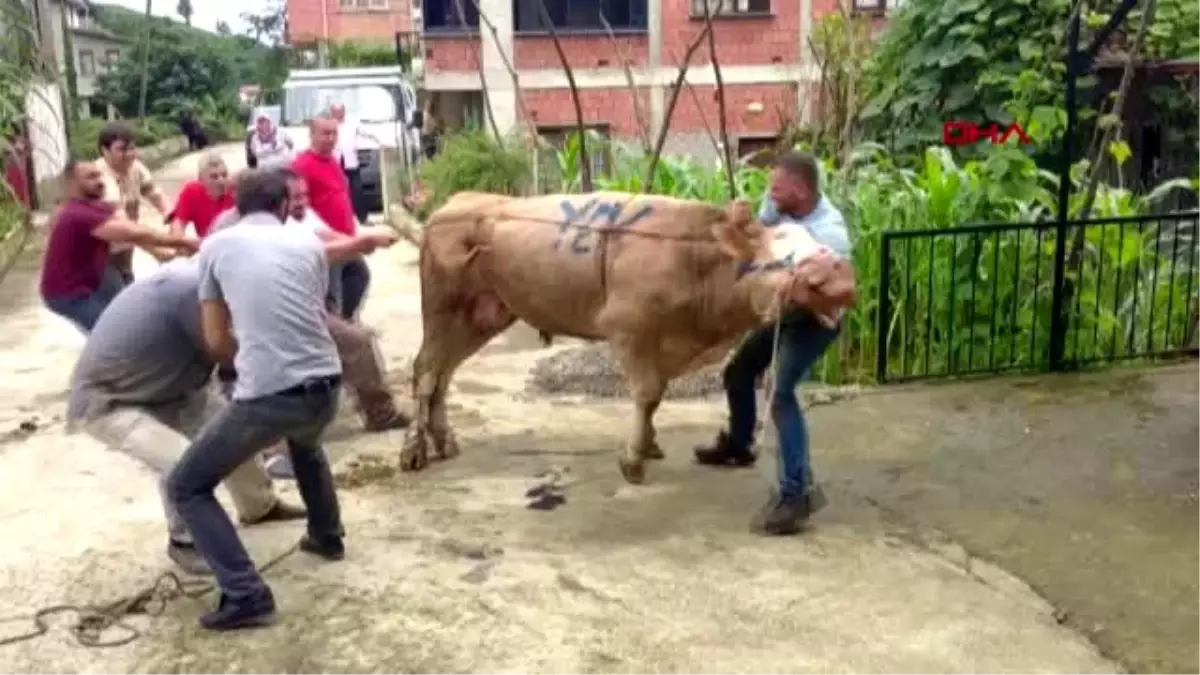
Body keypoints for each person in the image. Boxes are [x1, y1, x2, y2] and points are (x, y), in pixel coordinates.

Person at [166, 169, 398, 630]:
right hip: (328, 383)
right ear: (280, 206)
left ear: (237, 205)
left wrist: (247, 360)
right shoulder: (308, 243)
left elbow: (215, 340)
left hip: (271, 393)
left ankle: (245, 592)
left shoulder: (216, 246)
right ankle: (327, 536)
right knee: (306, 443)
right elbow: (307, 312)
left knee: (186, 486)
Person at [67, 258, 306, 575]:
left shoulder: (213, 282)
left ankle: (259, 507)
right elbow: (226, 350)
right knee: (184, 463)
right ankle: (184, 542)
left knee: (237, 434)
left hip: (174, 387)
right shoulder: (192, 292)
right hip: (112, 400)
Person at [693, 150, 854, 537]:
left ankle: (795, 494)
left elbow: (841, 294)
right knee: (739, 370)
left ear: (799, 191)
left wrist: (800, 289)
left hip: (816, 320)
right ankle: (739, 443)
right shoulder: (779, 203)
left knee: (781, 394)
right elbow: (760, 233)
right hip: (785, 311)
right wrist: (739, 222)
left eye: (777, 187)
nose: (770, 193)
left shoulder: (830, 234)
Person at [40, 159, 198, 334]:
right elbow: (133, 234)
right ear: (72, 183)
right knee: (110, 334)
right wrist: (182, 242)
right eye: (90, 177)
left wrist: (162, 250)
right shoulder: (77, 214)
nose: (99, 181)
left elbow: (131, 228)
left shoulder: (98, 206)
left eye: (99, 175)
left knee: (128, 316)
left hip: (94, 280)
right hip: (68, 294)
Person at [292, 113, 372, 320]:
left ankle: (346, 323)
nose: (330, 138)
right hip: (327, 244)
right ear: (312, 134)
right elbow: (299, 208)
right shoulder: (302, 165)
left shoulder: (333, 161)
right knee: (332, 295)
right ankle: (336, 333)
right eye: (325, 133)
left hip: (347, 239)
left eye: (334, 133)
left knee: (359, 277)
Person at [96, 121, 172, 285]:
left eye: (132, 148)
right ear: (105, 151)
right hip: (98, 253)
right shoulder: (99, 178)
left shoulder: (136, 168)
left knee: (127, 283)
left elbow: (155, 194)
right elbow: (122, 225)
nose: (130, 154)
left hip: (123, 248)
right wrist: (157, 250)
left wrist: (172, 218)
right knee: (116, 296)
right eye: (122, 149)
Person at [328, 102, 382, 226]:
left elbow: (367, 133)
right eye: (335, 112)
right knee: (335, 192)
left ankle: (363, 218)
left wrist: (379, 140)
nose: (338, 115)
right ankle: (336, 220)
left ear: (344, 112)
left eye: (340, 112)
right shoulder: (328, 125)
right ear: (332, 113)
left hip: (350, 161)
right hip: (334, 162)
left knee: (357, 190)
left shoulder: (352, 123)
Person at [166, 152, 234, 239]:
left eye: (224, 175)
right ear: (201, 179)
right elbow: (178, 223)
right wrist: (179, 244)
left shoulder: (235, 189)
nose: (221, 181)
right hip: (208, 244)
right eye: (214, 177)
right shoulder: (192, 191)